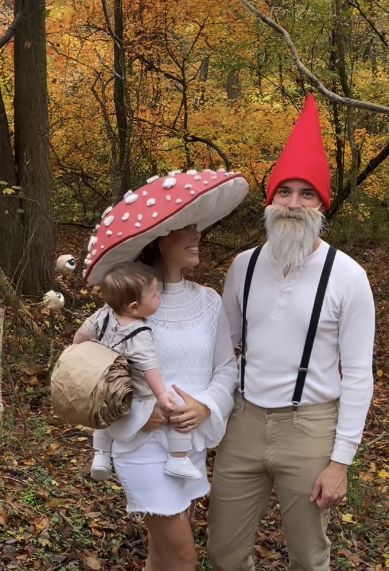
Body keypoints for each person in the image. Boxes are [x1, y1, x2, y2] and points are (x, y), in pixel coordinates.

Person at [208, 94, 375, 571]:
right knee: (223, 551)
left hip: (310, 427)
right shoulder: (244, 265)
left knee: (307, 555)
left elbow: (359, 375)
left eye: (306, 195)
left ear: (321, 206)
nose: (293, 204)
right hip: (244, 422)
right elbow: (225, 350)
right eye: (285, 192)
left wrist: (341, 460)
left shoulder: (347, 275)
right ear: (270, 200)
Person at [79, 170, 248, 571]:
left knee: (162, 552)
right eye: (185, 228)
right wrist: (142, 412)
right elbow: (90, 376)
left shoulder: (208, 301)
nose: (197, 235)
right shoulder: (124, 309)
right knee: (183, 556)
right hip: (140, 445)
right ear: (158, 239)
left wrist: (205, 405)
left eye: (197, 227)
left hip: (186, 448)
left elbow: (227, 367)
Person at [73, 261, 203, 481]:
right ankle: (178, 458)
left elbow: (80, 336)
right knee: (178, 406)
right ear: (134, 307)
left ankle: (101, 455)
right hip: (135, 392)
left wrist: (77, 353)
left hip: (103, 383)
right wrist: (162, 395)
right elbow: (149, 368)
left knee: (101, 415)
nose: (159, 298)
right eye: (154, 296)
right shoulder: (139, 333)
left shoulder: (103, 315)